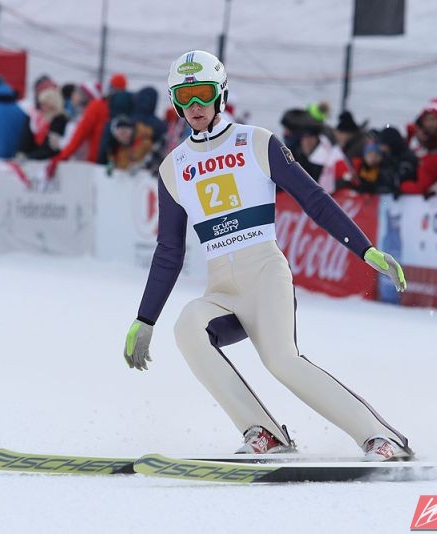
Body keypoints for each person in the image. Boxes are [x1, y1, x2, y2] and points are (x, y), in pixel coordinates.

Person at [123, 50, 412, 461]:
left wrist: (366, 250)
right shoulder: (174, 167)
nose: (195, 105)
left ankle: (381, 437)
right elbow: (169, 250)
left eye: (204, 93)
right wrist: (145, 318)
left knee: (281, 361)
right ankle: (265, 433)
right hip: (222, 290)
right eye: (185, 96)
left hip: (265, 277)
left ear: (221, 94)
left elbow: (314, 199)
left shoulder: (256, 142)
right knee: (187, 325)